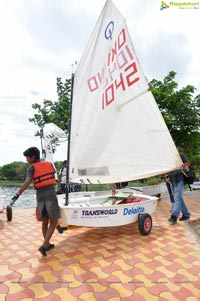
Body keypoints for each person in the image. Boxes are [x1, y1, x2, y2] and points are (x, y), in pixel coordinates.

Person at [11, 147, 61, 256]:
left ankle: (47, 244)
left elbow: (27, 181)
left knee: (45, 221)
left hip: (40, 196)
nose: (26, 160)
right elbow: (55, 178)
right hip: (51, 194)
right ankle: (44, 245)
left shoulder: (31, 168)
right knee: (54, 221)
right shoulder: (49, 164)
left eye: (27, 157)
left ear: (32, 156)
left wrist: (17, 194)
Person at [168, 153, 191, 225]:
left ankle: (174, 216)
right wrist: (167, 178)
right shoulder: (168, 158)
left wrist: (183, 166)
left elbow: (187, 165)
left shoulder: (180, 155)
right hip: (172, 181)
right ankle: (186, 214)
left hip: (179, 180)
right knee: (178, 198)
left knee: (177, 198)